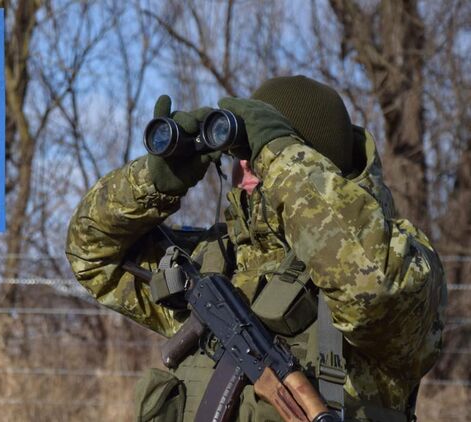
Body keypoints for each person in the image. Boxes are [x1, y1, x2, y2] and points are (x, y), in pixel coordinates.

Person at [65, 75, 446, 421]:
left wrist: (280, 154)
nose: (246, 167)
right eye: (240, 154)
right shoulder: (214, 262)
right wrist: (152, 182)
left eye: (259, 153)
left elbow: (370, 289)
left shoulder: (399, 260)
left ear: (308, 162)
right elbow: (91, 254)